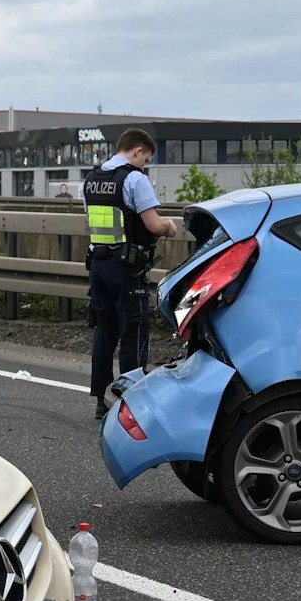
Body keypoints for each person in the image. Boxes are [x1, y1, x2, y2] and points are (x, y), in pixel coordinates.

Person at [84, 128, 179, 418]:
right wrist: (169, 226)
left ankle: (101, 400)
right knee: (133, 332)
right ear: (137, 151)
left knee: (104, 331)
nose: (145, 164)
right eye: (146, 158)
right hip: (127, 268)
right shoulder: (134, 179)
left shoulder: (91, 179)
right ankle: (131, 401)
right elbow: (152, 225)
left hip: (98, 265)